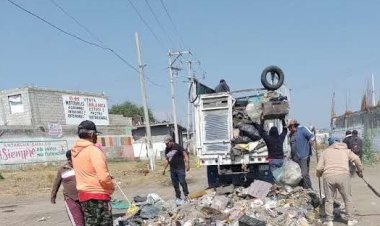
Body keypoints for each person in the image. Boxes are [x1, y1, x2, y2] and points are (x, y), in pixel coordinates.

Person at [71, 120, 114, 226]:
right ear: (91, 134)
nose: (96, 137)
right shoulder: (94, 151)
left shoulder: (75, 152)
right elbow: (103, 178)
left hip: (84, 197)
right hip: (99, 196)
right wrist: (111, 186)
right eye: (96, 135)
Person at [316, 137, 363, 226]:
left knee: (329, 199)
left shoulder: (325, 152)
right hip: (343, 176)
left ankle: (329, 221)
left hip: (328, 176)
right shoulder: (346, 151)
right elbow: (356, 159)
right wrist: (360, 171)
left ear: (330, 144)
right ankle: (350, 220)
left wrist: (318, 174)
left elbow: (319, 168)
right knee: (347, 198)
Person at [51, 150, 84, 226]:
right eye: (70, 159)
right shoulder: (62, 169)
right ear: (68, 159)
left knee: (88, 221)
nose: (72, 161)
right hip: (70, 198)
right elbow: (56, 183)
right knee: (78, 222)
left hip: (84, 198)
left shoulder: (82, 167)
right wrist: (53, 196)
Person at [162, 135, 190, 204]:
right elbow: (166, 160)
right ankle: (178, 197)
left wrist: (188, 164)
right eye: (165, 143)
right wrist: (164, 169)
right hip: (172, 170)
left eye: (167, 143)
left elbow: (185, 155)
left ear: (171, 141)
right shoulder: (167, 149)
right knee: (175, 184)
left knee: (182, 182)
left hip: (180, 168)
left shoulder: (178, 147)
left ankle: (187, 195)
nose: (166, 145)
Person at [288, 119, 315, 189]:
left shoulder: (303, 129)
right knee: (297, 174)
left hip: (304, 156)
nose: (289, 129)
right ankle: (301, 188)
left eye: (290, 127)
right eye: (288, 128)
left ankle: (309, 188)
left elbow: (312, 136)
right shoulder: (290, 135)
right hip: (295, 158)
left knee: (304, 173)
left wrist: (311, 141)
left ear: (294, 126)